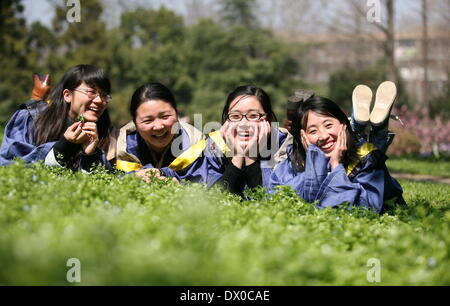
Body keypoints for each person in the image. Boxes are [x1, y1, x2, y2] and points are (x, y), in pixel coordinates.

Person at [270, 95, 403, 213]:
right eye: (312, 131)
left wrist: (336, 166)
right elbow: (276, 195)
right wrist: (315, 162)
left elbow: (366, 209)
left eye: (328, 125)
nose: (323, 136)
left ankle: (377, 129)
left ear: (343, 124)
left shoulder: (366, 158)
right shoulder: (296, 159)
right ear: (302, 136)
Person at [161, 85, 292, 196]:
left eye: (253, 116)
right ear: (226, 121)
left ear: (267, 119)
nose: (244, 123)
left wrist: (251, 157)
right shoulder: (215, 145)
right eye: (235, 116)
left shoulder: (284, 145)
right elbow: (216, 199)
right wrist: (237, 157)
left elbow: (270, 200)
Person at [0, 65, 114, 171]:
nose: (99, 100)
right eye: (91, 92)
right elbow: (10, 165)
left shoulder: (103, 135)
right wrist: (63, 147)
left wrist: (90, 156)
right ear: (67, 95)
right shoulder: (32, 118)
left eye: (104, 95)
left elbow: (105, 182)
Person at [114, 82, 203, 182]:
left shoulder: (194, 142)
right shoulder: (123, 144)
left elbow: (202, 181)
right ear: (135, 123)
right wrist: (134, 177)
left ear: (177, 114)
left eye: (165, 117)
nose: (158, 127)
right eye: (148, 120)